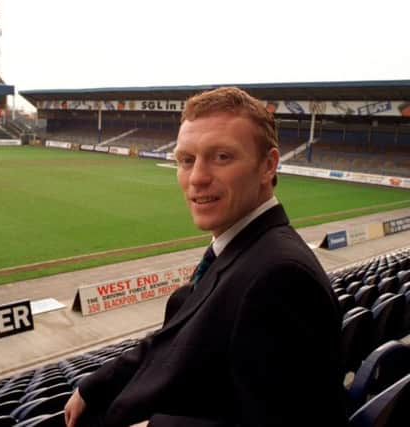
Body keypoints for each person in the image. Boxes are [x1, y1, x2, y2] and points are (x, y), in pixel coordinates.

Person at [64, 87, 348, 427]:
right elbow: (173, 339)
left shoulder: (280, 276)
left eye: (222, 157)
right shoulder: (240, 246)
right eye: (186, 160)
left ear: (267, 165)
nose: (196, 178)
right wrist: (94, 386)